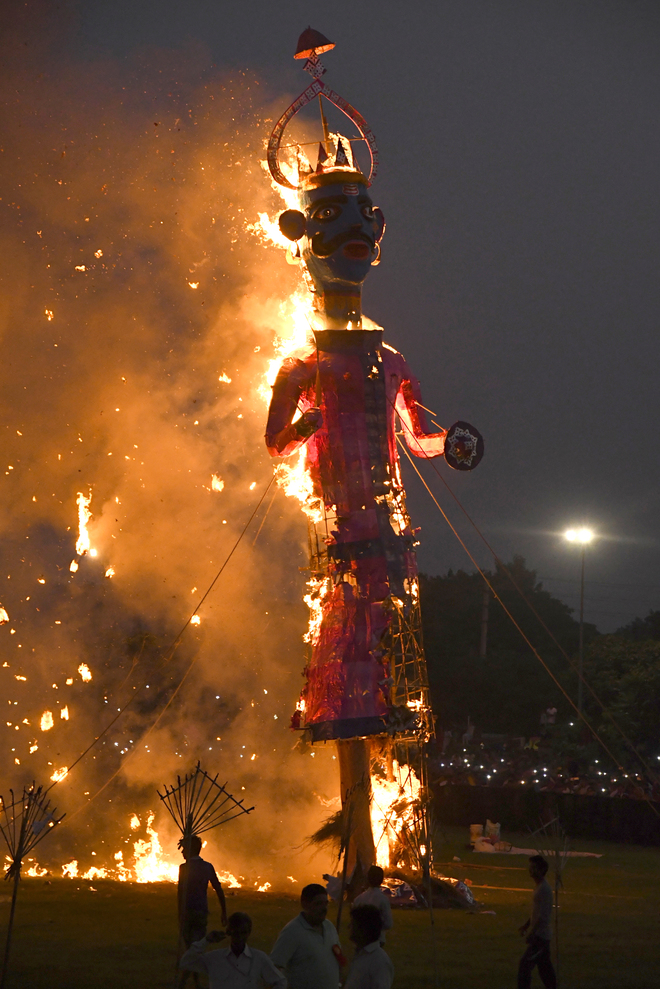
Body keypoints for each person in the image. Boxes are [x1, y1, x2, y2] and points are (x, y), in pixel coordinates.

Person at [179, 912, 286, 989]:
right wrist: (205, 941)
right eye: (235, 932)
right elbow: (186, 962)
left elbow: (280, 981)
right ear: (229, 932)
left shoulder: (259, 958)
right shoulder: (215, 958)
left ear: (249, 933)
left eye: (243, 933)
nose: (239, 937)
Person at [178, 834, 228, 988]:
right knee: (194, 949)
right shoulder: (207, 867)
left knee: (192, 951)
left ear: (190, 850)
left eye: (184, 848)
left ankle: (183, 983)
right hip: (201, 912)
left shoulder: (184, 868)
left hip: (189, 913)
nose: (182, 852)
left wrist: (180, 914)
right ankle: (196, 982)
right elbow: (218, 889)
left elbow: (180, 894)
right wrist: (223, 911)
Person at [270, 882, 341, 989]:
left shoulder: (329, 927)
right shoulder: (292, 931)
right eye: (318, 904)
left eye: (325, 903)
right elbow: (273, 968)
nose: (324, 908)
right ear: (304, 904)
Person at [517, 855, 556, 989]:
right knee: (545, 968)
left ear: (540, 870)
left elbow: (542, 916)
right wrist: (526, 925)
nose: (530, 870)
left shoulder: (544, 889)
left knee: (525, 965)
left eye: (533, 868)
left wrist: (532, 933)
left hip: (541, 936)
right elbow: (536, 912)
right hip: (540, 935)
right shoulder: (539, 887)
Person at [344, 904, 393, 989]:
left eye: (352, 924)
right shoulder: (361, 955)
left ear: (363, 929)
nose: (349, 927)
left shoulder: (379, 961)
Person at [352, 866, 393, 943]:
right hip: (377, 940)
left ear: (368, 879)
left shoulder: (358, 899)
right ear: (381, 880)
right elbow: (388, 923)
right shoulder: (383, 900)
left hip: (361, 940)